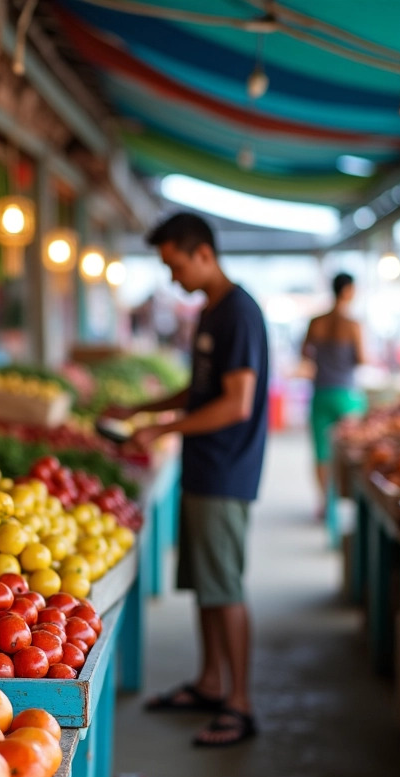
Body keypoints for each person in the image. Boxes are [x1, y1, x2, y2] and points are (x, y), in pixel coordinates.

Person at [107, 212, 268, 748]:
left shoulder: (238, 313)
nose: (172, 277)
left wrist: (165, 428)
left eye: (175, 264)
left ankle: (239, 704)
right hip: (206, 465)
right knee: (205, 583)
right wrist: (142, 409)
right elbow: (200, 391)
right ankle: (209, 682)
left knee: (224, 588)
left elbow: (236, 403)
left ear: (202, 253)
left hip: (227, 469)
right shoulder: (211, 311)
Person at [301, 273, 367, 517]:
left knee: (321, 451)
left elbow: (305, 353)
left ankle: (324, 504)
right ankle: (344, 502)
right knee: (350, 452)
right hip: (346, 395)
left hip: (320, 393)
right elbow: (361, 358)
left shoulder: (316, 322)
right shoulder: (353, 325)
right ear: (348, 290)